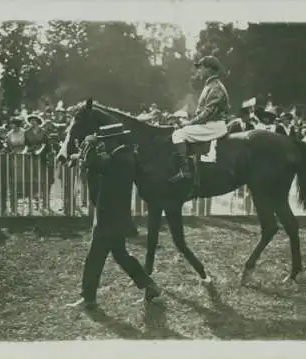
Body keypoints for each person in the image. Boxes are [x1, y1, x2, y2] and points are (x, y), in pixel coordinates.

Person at [70, 123, 162, 309]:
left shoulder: (120, 158)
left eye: (105, 141)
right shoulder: (123, 156)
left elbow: (94, 162)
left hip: (108, 217)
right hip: (115, 216)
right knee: (121, 255)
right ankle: (150, 285)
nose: (104, 145)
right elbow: (97, 167)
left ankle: (88, 299)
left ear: (114, 140)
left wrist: (90, 144)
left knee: (94, 257)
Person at [169, 55, 230, 182]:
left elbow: (208, 112)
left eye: (200, 67)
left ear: (209, 69)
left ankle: (185, 171)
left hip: (214, 125)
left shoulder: (216, 87)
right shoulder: (210, 85)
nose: (199, 70)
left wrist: (189, 124)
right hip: (210, 123)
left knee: (178, 135)